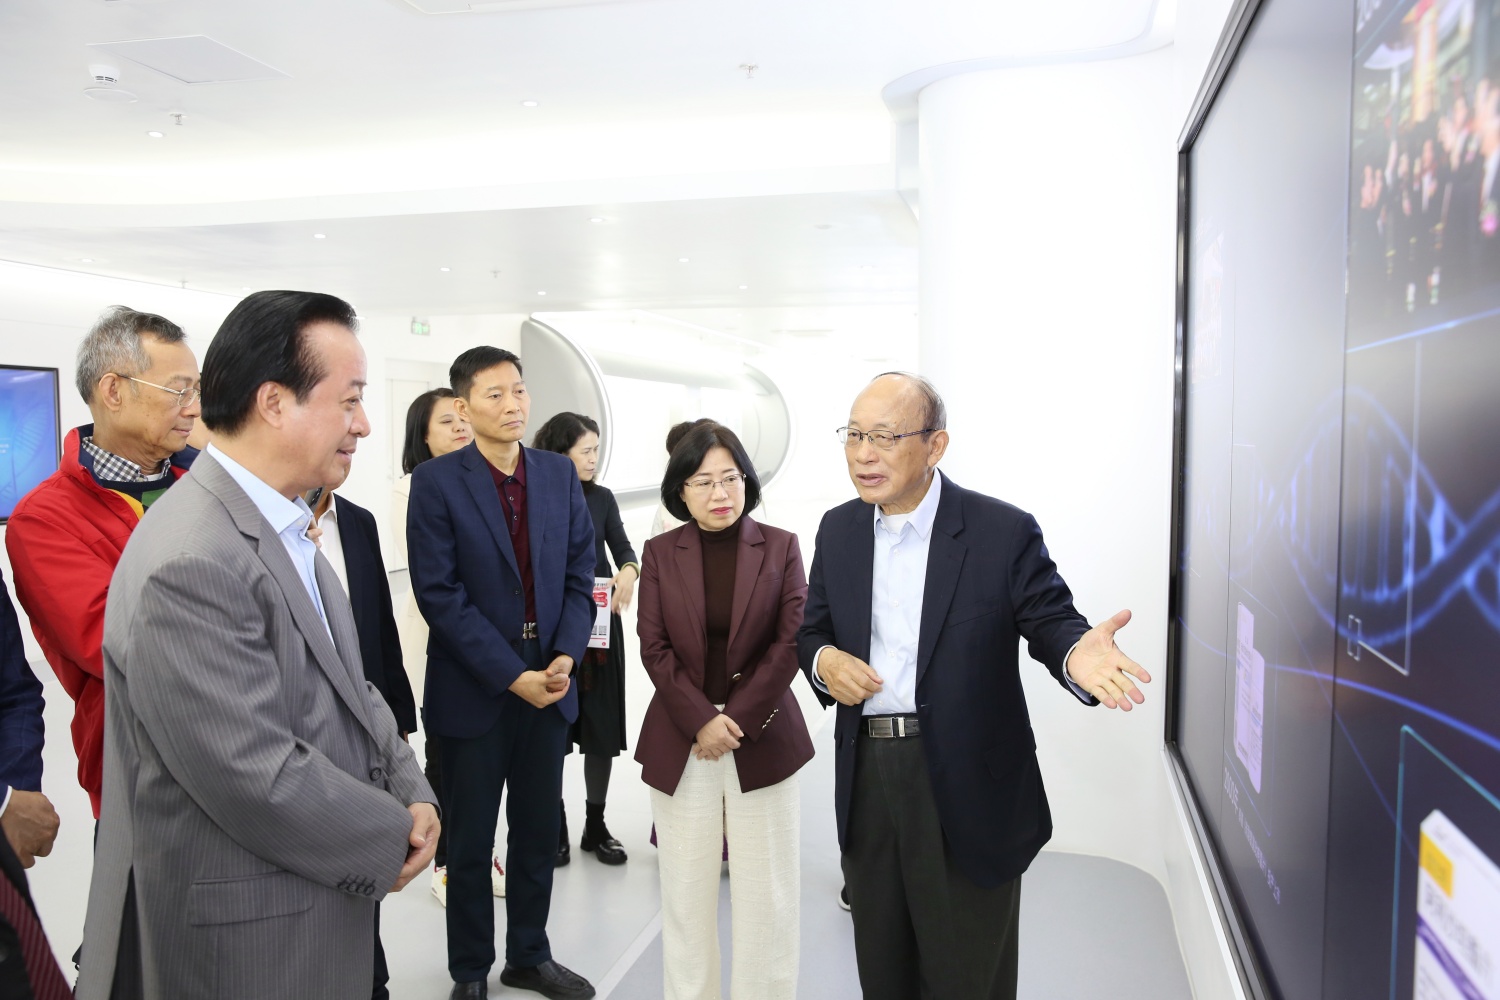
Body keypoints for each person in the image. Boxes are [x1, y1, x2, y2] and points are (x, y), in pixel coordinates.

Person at [75, 290, 439, 1000]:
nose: (364, 425)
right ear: (274, 403)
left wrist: (411, 787)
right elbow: (253, 773)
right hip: (250, 939)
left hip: (305, 902)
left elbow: (351, 684)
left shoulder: (283, 523)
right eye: (350, 400)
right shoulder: (193, 557)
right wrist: (392, 830)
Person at [797, 372, 1151, 1000]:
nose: (863, 454)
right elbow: (812, 630)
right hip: (868, 778)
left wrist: (1076, 654)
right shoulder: (839, 530)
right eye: (853, 436)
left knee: (967, 978)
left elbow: (1049, 619)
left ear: (935, 445)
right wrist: (824, 661)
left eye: (884, 437)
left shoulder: (1000, 531)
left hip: (965, 785)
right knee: (883, 969)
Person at [407, 347, 597, 1000]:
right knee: (469, 839)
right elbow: (439, 595)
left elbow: (579, 574)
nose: (513, 404)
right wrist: (511, 675)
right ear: (463, 408)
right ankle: (469, 970)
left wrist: (566, 654)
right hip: (475, 688)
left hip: (551, 680)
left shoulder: (556, 474)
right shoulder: (437, 482)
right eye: (495, 394)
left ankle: (529, 956)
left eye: (519, 390)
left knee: (538, 831)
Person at [636, 421, 812, 1000]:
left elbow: (790, 641)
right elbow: (654, 646)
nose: (720, 494)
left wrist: (732, 721)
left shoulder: (781, 546)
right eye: (703, 481)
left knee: (769, 899)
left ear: (747, 481)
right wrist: (701, 720)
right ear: (680, 492)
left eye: (731, 478)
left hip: (762, 735)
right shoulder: (660, 553)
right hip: (682, 738)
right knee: (685, 898)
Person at [5, 306, 200, 820]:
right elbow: (116, 641)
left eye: (198, 391)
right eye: (179, 391)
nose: (195, 409)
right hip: (142, 773)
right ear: (113, 391)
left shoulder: (207, 488)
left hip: (251, 751)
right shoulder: (44, 518)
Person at [306, 470, 420, 1000]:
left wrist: (398, 720)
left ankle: (371, 978)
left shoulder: (357, 522)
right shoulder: (259, 525)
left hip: (365, 723)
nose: (355, 434)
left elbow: (379, 627)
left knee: (364, 869)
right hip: (305, 734)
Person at [391, 388, 501, 905]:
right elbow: (433, 575)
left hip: (488, 642)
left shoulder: (485, 481)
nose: (460, 428)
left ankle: (476, 853)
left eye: (463, 419)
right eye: (446, 422)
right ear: (423, 434)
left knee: (484, 761)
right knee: (444, 758)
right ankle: (446, 862)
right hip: (438, 640)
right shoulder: (411, 488)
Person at [532, 412, 637, 867]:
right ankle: (554, 826)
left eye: (596, 449)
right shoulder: (538, 495)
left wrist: (628, 572)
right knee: (551, 732)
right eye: (586, 450)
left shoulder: (602, 498)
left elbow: (624, 549)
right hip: (551, 628)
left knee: (600, 730)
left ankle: (596, 824)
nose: (594, 458)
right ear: (560, 453)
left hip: (599, 630)